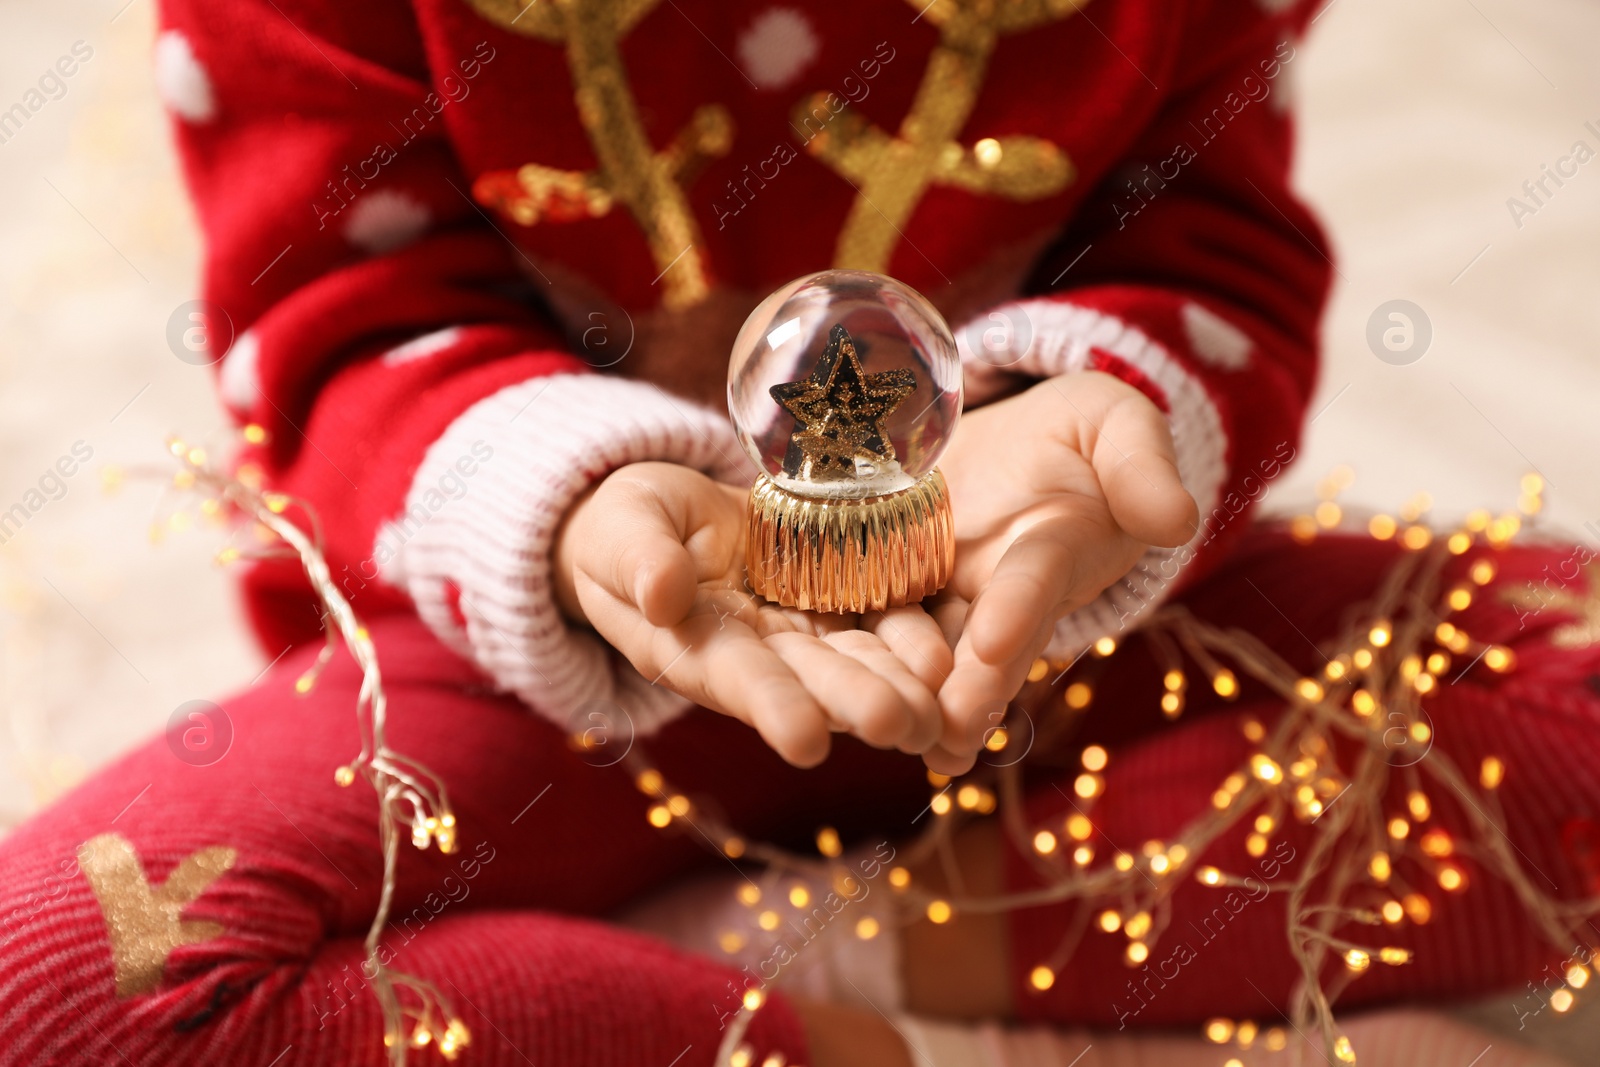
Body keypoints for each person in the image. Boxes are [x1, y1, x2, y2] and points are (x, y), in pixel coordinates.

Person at [0, 0, 1592, 1063]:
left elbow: (1219, 244)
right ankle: (805, 1018)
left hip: (1050, 625)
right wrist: (572, 512)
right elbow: (340, 327)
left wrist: (1097, 418)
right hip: (531, 670)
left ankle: (887, 942)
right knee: (71, 989)